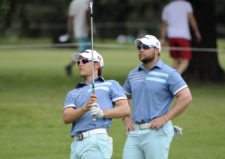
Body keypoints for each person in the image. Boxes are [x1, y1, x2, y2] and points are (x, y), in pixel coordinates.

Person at [122, 35, 192, 159]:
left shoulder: (169, 73)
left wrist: (165, 118)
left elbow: (186, 97)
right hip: (134, 132)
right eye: (139, 47)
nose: (141, 50)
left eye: (146, 47)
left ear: (157, 50)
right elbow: (123, 97)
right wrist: (126, 118)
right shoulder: (133, 74)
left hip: (156, 132)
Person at [63, 49, 130, 159]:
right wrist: (85, 108)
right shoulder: (73, 92)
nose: (80, 64)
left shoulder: (110, 84)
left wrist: (101, 113)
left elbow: (125, 109)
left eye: (84, 61)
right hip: (76, 144)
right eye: (78, 62)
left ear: (97, 65)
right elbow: (66, 117)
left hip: (95, 139)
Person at [161, 0, 201, 74]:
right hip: (183, 36)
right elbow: (191, 19)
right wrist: (196, 31)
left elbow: (164, 25)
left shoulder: (167, 7)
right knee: (185, 60)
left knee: (176, 60)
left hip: (172, 36)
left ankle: (167, 79)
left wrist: (163, 39)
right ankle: (175, 78)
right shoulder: (186, 4)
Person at [65, 0, 91, 76]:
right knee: (84, 51)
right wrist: (90, 27)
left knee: (84, 51)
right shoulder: (87, 1)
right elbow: (87, 13)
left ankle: (72, 66)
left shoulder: (74, 2)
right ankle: (79, 68)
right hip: (85, 30)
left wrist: (69, 31)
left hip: (78, 29)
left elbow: (70, 17)